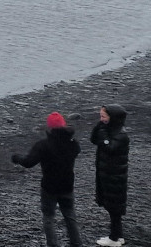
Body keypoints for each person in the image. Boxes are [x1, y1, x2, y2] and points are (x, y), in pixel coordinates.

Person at [13, 111, 84, 247]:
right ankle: (77, 243)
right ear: (63, 125)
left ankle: (53, 244)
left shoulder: (44, 145)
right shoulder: (73, 143)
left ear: (50, 127)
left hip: (49, 187)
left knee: (49, 217)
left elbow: (29, 162)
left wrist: (17, 158)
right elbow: (77, 150)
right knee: (69, 215)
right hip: (67, 185)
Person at [91, 104, 130, 247]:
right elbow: (94, 140)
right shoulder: (109, 129)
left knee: (114, 207)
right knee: (113, 207)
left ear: (112, 117)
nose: (101, 119)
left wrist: (102, 133)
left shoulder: (121, 135)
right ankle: (118, 236)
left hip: (114, 176)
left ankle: (114, 239)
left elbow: (109, 148)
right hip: (108, 174)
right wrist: (99, 127)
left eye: (103, 116)